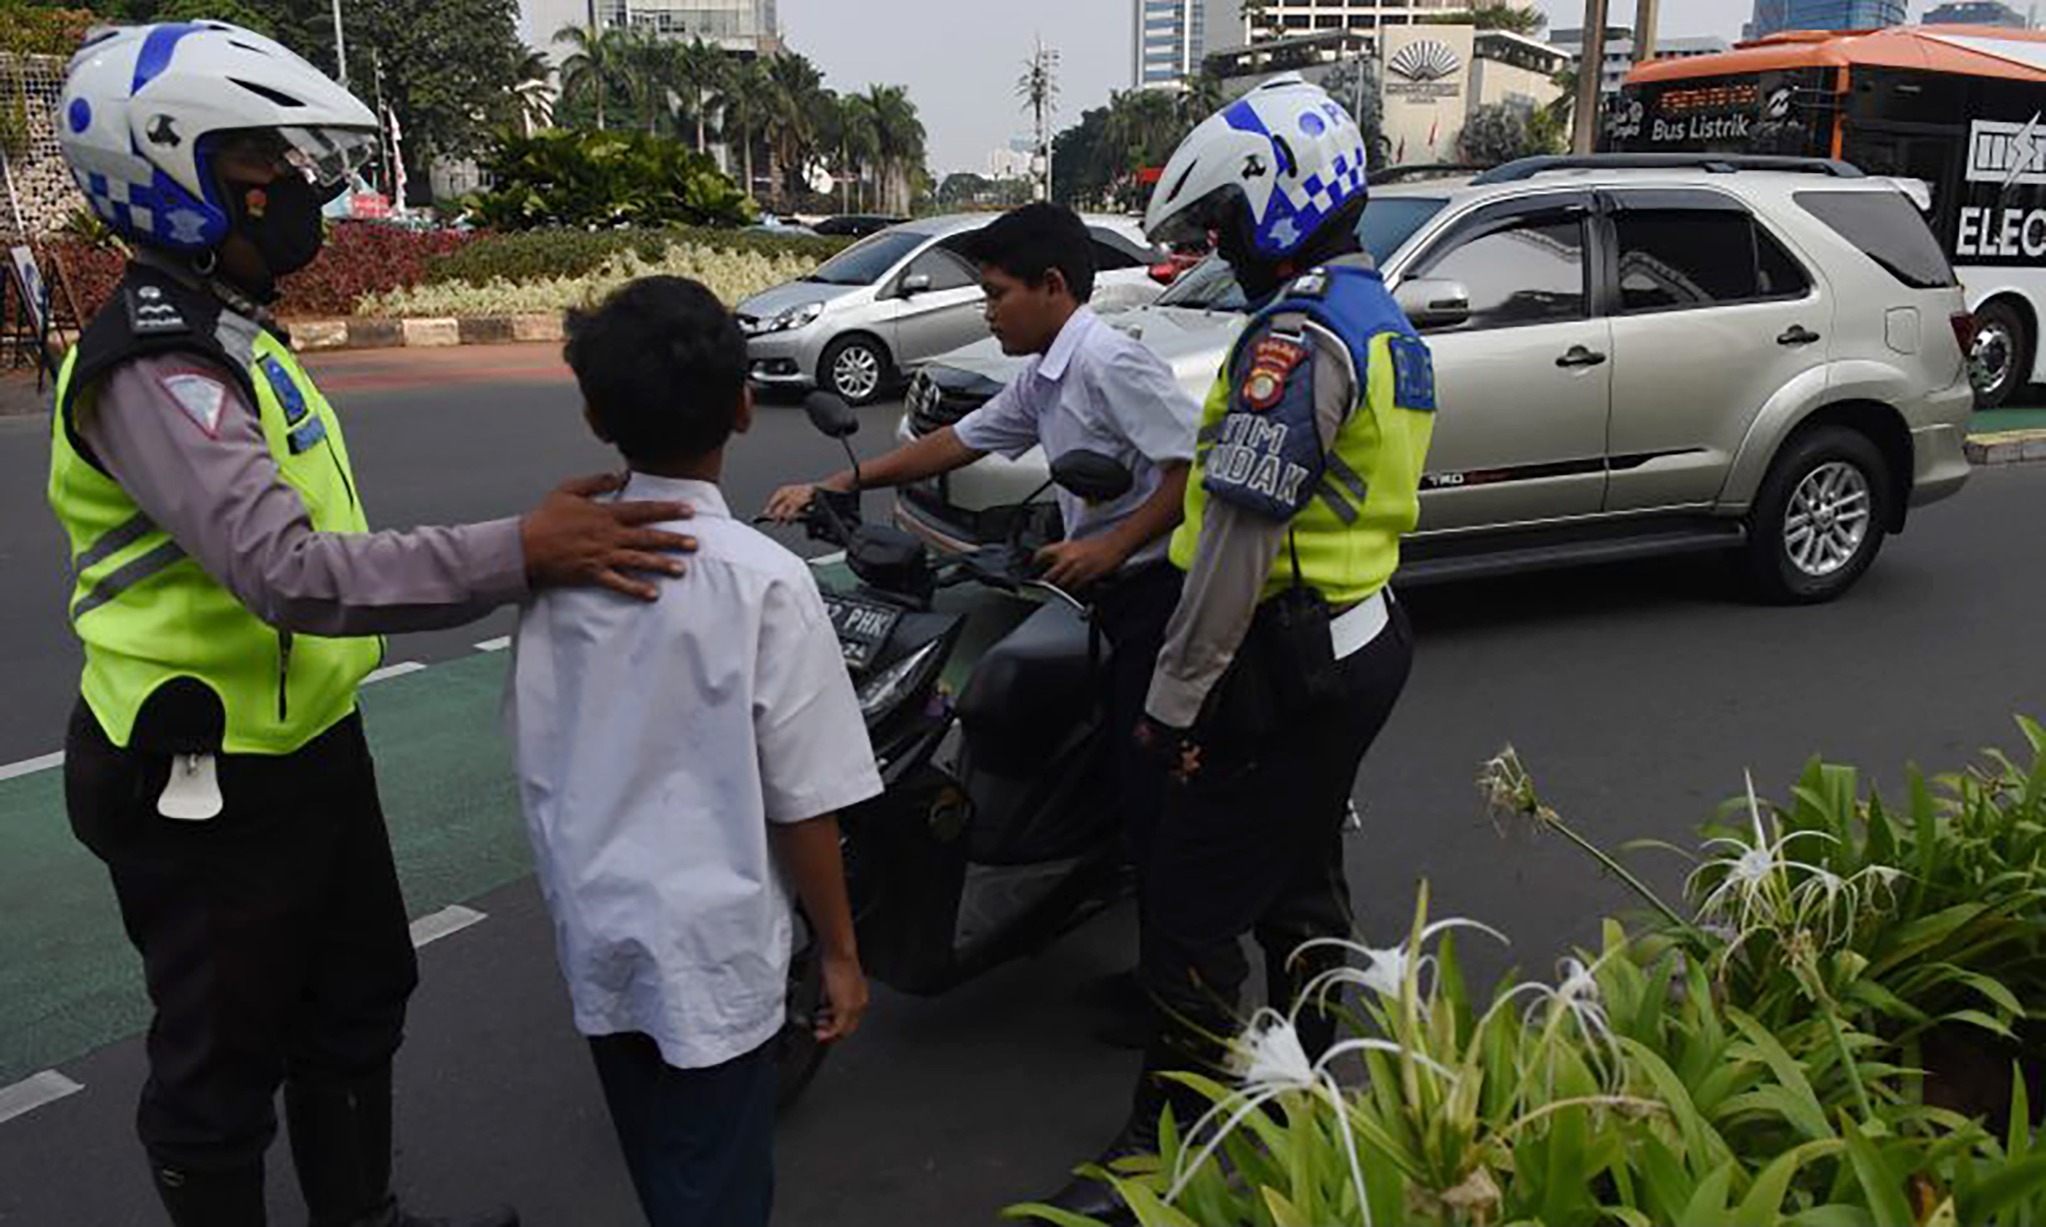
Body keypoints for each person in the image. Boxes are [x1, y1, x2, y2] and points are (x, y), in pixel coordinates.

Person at [48, 24, 696, 1227]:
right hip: (203, 767)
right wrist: (520, 551)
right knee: (220, 1061)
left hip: (303, 746)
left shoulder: (228, 327)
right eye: (261, 159)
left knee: (355, 1001)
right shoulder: (157, 363)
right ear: (176, 173)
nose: (292, 183)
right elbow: (283, 569)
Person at [1038, 74, 1438, 1220]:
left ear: (1276, 203)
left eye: (1222, 222)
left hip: (1280, 658)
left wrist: (1171, 710)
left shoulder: (1296, 343)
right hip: (1357, 643)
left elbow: (1234, 556)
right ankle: (1306, 1082)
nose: (1217, 243)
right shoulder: (1377, 317)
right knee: (1301, 879)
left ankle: (1162, 1153)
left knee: (1190, 904)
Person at [507, 276, 880, 1227]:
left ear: (595, 414)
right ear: (747, 405)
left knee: (661, 1166)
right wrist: (839, 951)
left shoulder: (552, 564)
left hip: (596, 925)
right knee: (716, 1186)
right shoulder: (766, 583)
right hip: (715, 950)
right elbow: (804, 798)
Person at [764, 200, 1197, 903]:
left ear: (1052, 286)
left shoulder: (1111, 364)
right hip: (1095, 585)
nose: (988, 311)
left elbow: (1192, 466)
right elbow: (964, 439)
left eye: (998, 294)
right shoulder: (1045, 372)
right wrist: (842, 480)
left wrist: (1110, 546)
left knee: (1143, 768)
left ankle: (1168, 962)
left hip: (1157, 594)